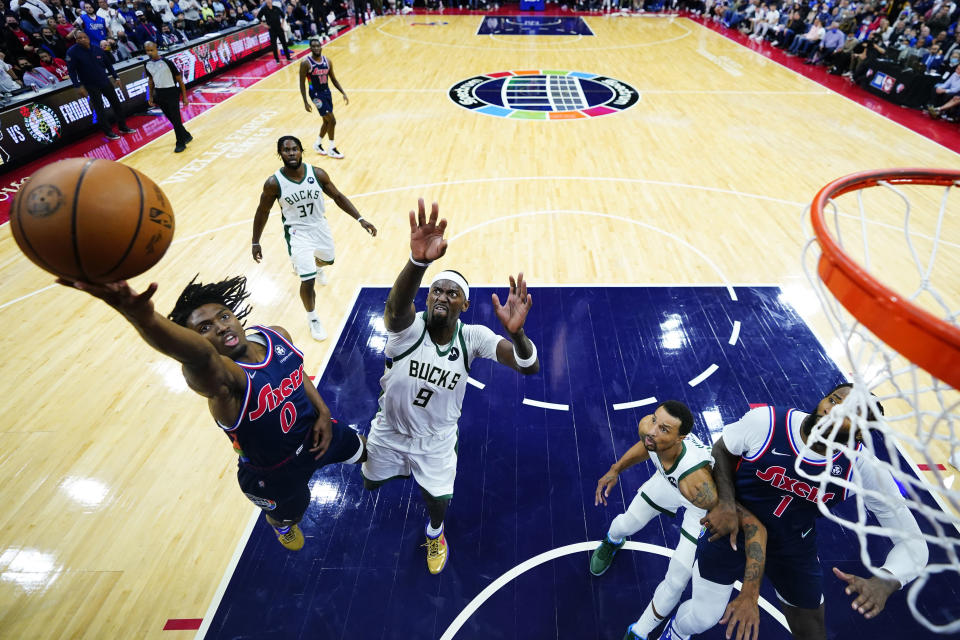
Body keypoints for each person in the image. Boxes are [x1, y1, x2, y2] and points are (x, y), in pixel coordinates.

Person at [60, 275, 368, 551]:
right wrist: (144, 319)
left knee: (368, 450)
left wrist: (324, 412)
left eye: (223, 316)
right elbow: (200, 357)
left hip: (318, 433)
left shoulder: (276, 336)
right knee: (289, 514)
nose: (221, 326)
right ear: (195, 339)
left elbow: (297, 372)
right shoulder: (224, 382)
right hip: (274, 474)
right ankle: (282, 527)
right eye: (204, 328)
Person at [662, 383, 929, 640]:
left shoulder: (862, 467)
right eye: (833, 400)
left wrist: (887, 580)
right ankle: (676, 631)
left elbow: (914, 545)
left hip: (792, 547)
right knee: (703, 617)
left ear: (861, 433)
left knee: (813, 634)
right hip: (735, 531)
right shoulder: (766, 422)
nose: (832, 410)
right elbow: (722, 449)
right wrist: (727, 503)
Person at [361, 199, 540, 575]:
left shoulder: (471, 337)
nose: (441, 296)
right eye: (436, 291)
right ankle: (351, 450)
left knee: (438, 500)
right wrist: (418, 263)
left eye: (451, 293)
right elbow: (395, 309)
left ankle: (436, 533)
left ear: (465, 303)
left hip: (436, 439)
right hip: (389, 430)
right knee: (368, 480)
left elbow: (528, 365)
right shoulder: (410, 328)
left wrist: (518, 334)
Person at [592, 402, 769, 640]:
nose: (654, 430)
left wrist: (750, 589)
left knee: (677, 578)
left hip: (699, 510)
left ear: (680, 438)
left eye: (664, 429)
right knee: (626, 523)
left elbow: (744, 519)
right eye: (655, 420)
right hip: (667, 482)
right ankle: (612, 542)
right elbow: (647, 447)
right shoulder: (649, 428)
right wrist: (616, 469)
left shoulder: (699, 485)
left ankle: (639, 632)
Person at [251, 135, 376, 341]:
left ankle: (315, 266)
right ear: (279, 153)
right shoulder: (274, 183)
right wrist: (256, 241)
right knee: (307, 280)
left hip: (320, 228)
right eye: (286, 150)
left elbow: (338, 197)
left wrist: (360, 218)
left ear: (301, 151)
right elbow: (262, 212)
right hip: (297, 234)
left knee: (328, 259)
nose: (291, 153)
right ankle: (313, 317)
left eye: (294, 149)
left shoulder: (317, 174)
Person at [65, 29, 133, 140]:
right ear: (76, 40)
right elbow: (71, 71)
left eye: (84, 37)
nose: (82, 39)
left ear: (88, 37)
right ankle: (108, 132)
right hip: (90, 85)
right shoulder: (72, 52)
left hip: (104, 81)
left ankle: (123, 127)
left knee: (116, 104)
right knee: (100, 109)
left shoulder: (97, 49)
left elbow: (108, 64)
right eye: (79, 38)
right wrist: (77, 86)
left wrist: (116, 77)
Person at [299, 37, 348, 159]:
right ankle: (332, 148)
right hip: (316, 94)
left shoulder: (327, 61)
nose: (316, 48)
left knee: (326, 121)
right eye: (313, 46)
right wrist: (305, 101)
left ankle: (317, 144)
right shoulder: (306, 63)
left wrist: (343, 92)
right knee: (332, 120)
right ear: (310, 48)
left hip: (326, 93)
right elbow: (302, 83)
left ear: (321, 47)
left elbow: (333, 79)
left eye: (318, 46)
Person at [143, 41, 192, 153]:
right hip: (160, 93)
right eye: (147, 51)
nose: (150, 52)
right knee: (172, 119)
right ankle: (186, 135)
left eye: (152, 50)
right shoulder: (147, 64)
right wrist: (150, 96)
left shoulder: (167, 62)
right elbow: (150, 81)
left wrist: (184, 97)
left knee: (176, 118)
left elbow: (180, 80)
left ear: (156, 49)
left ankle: (180, 143)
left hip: (172, 92)